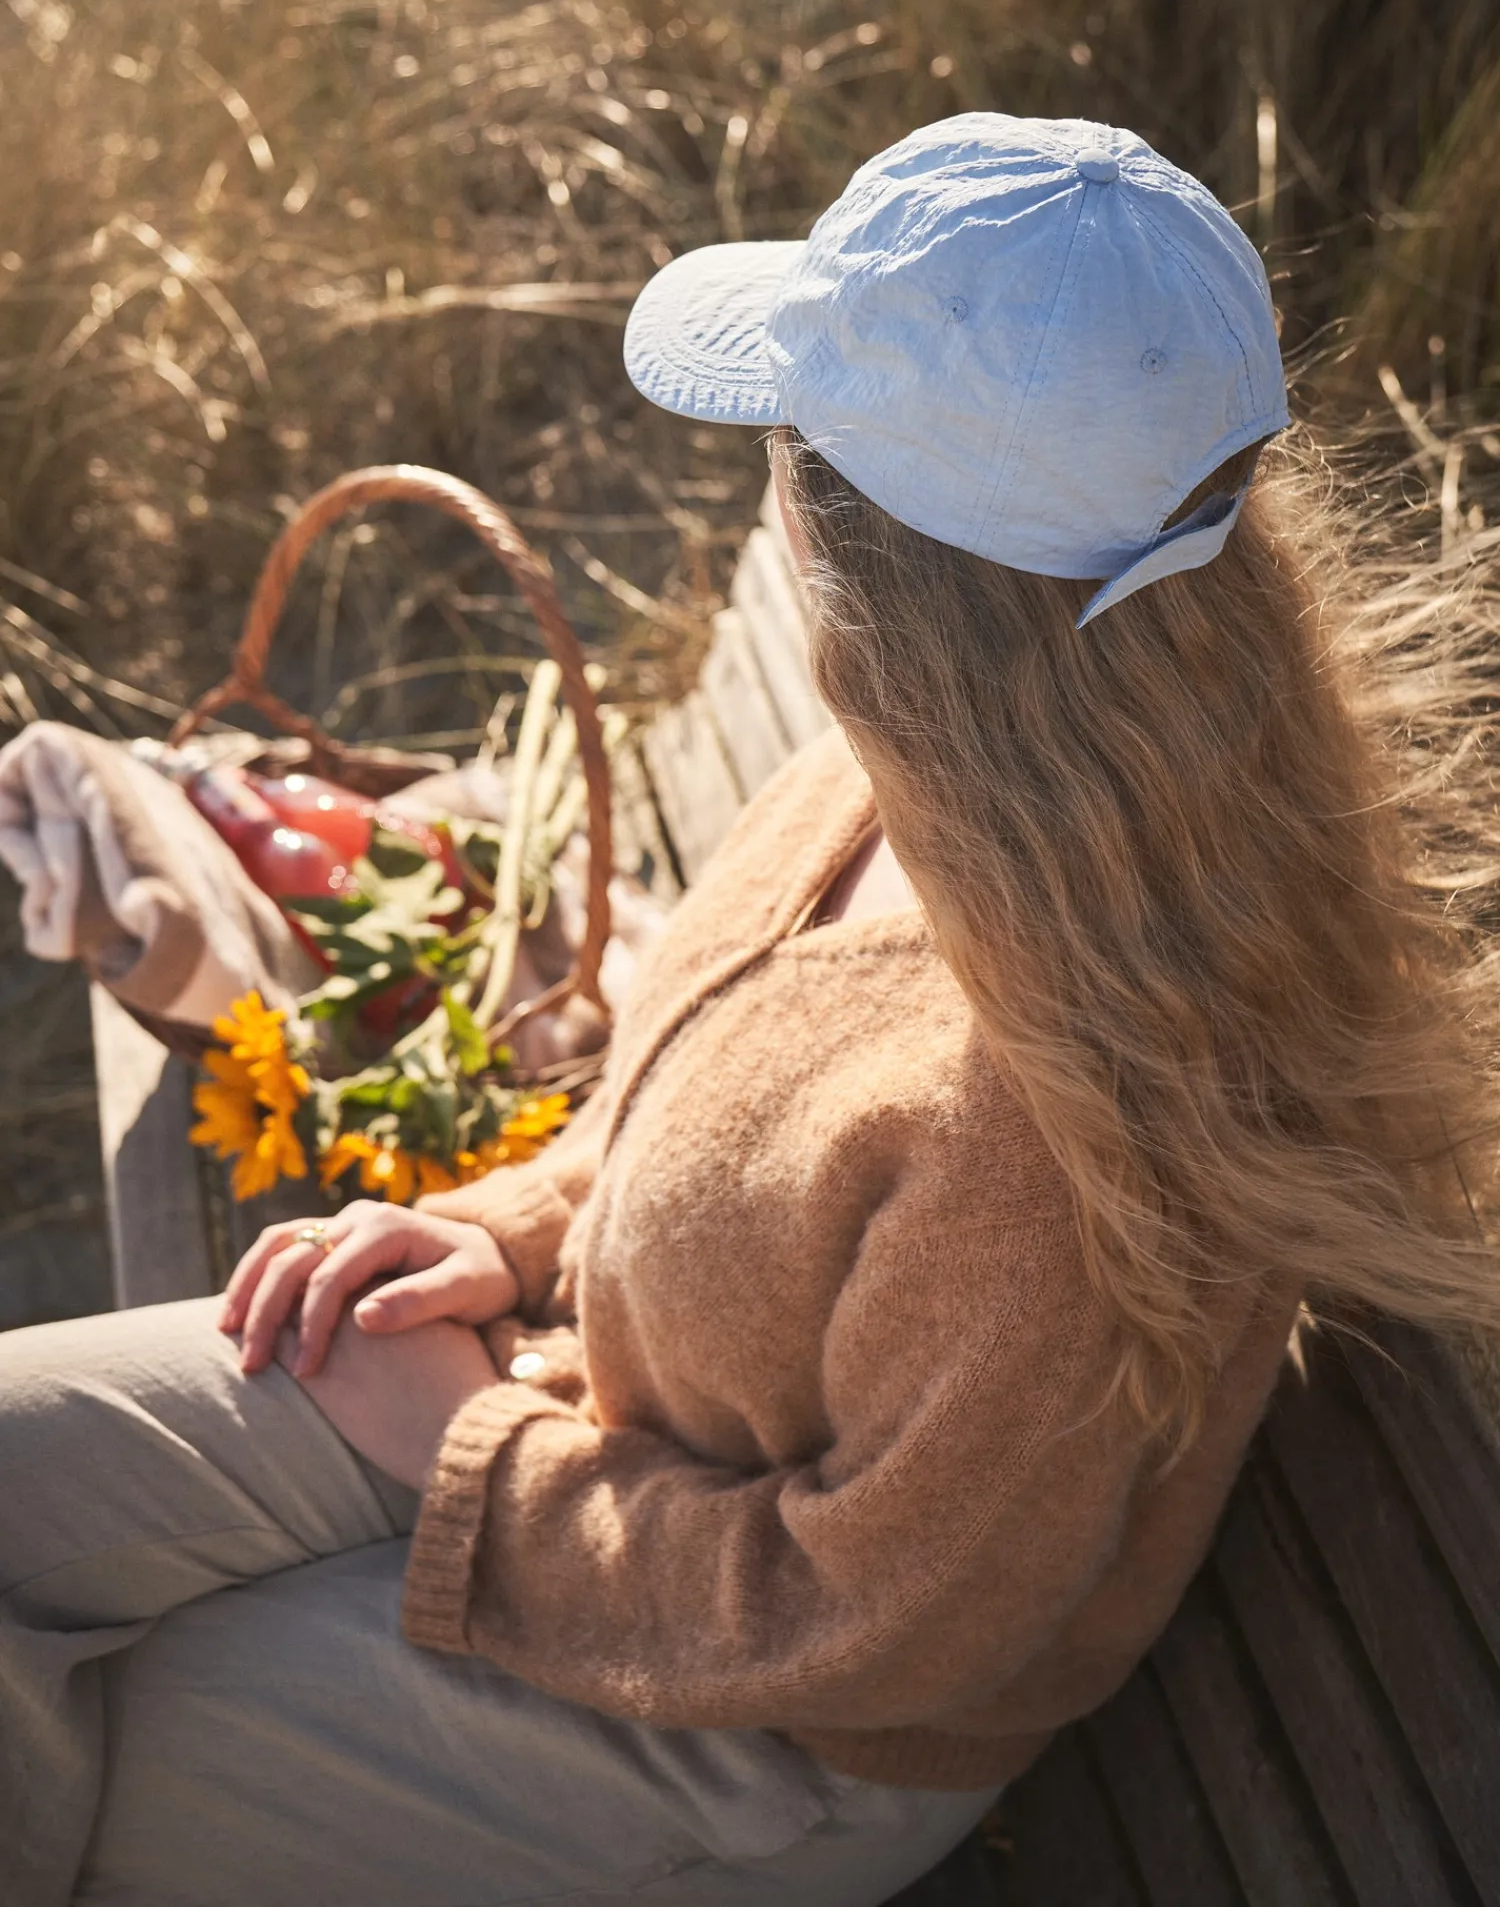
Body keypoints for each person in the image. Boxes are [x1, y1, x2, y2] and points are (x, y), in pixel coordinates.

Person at [4, 112, 1499, 1907]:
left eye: (785, 435)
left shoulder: (1056, 1130)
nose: (763, 480)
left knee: (102, 1778)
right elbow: (716, 1084)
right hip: (580, 1405)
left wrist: (465, 1453)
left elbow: (881, 1628)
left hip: (750, 1722)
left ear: (861, 549)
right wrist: (518, 1227)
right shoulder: (961, 762)